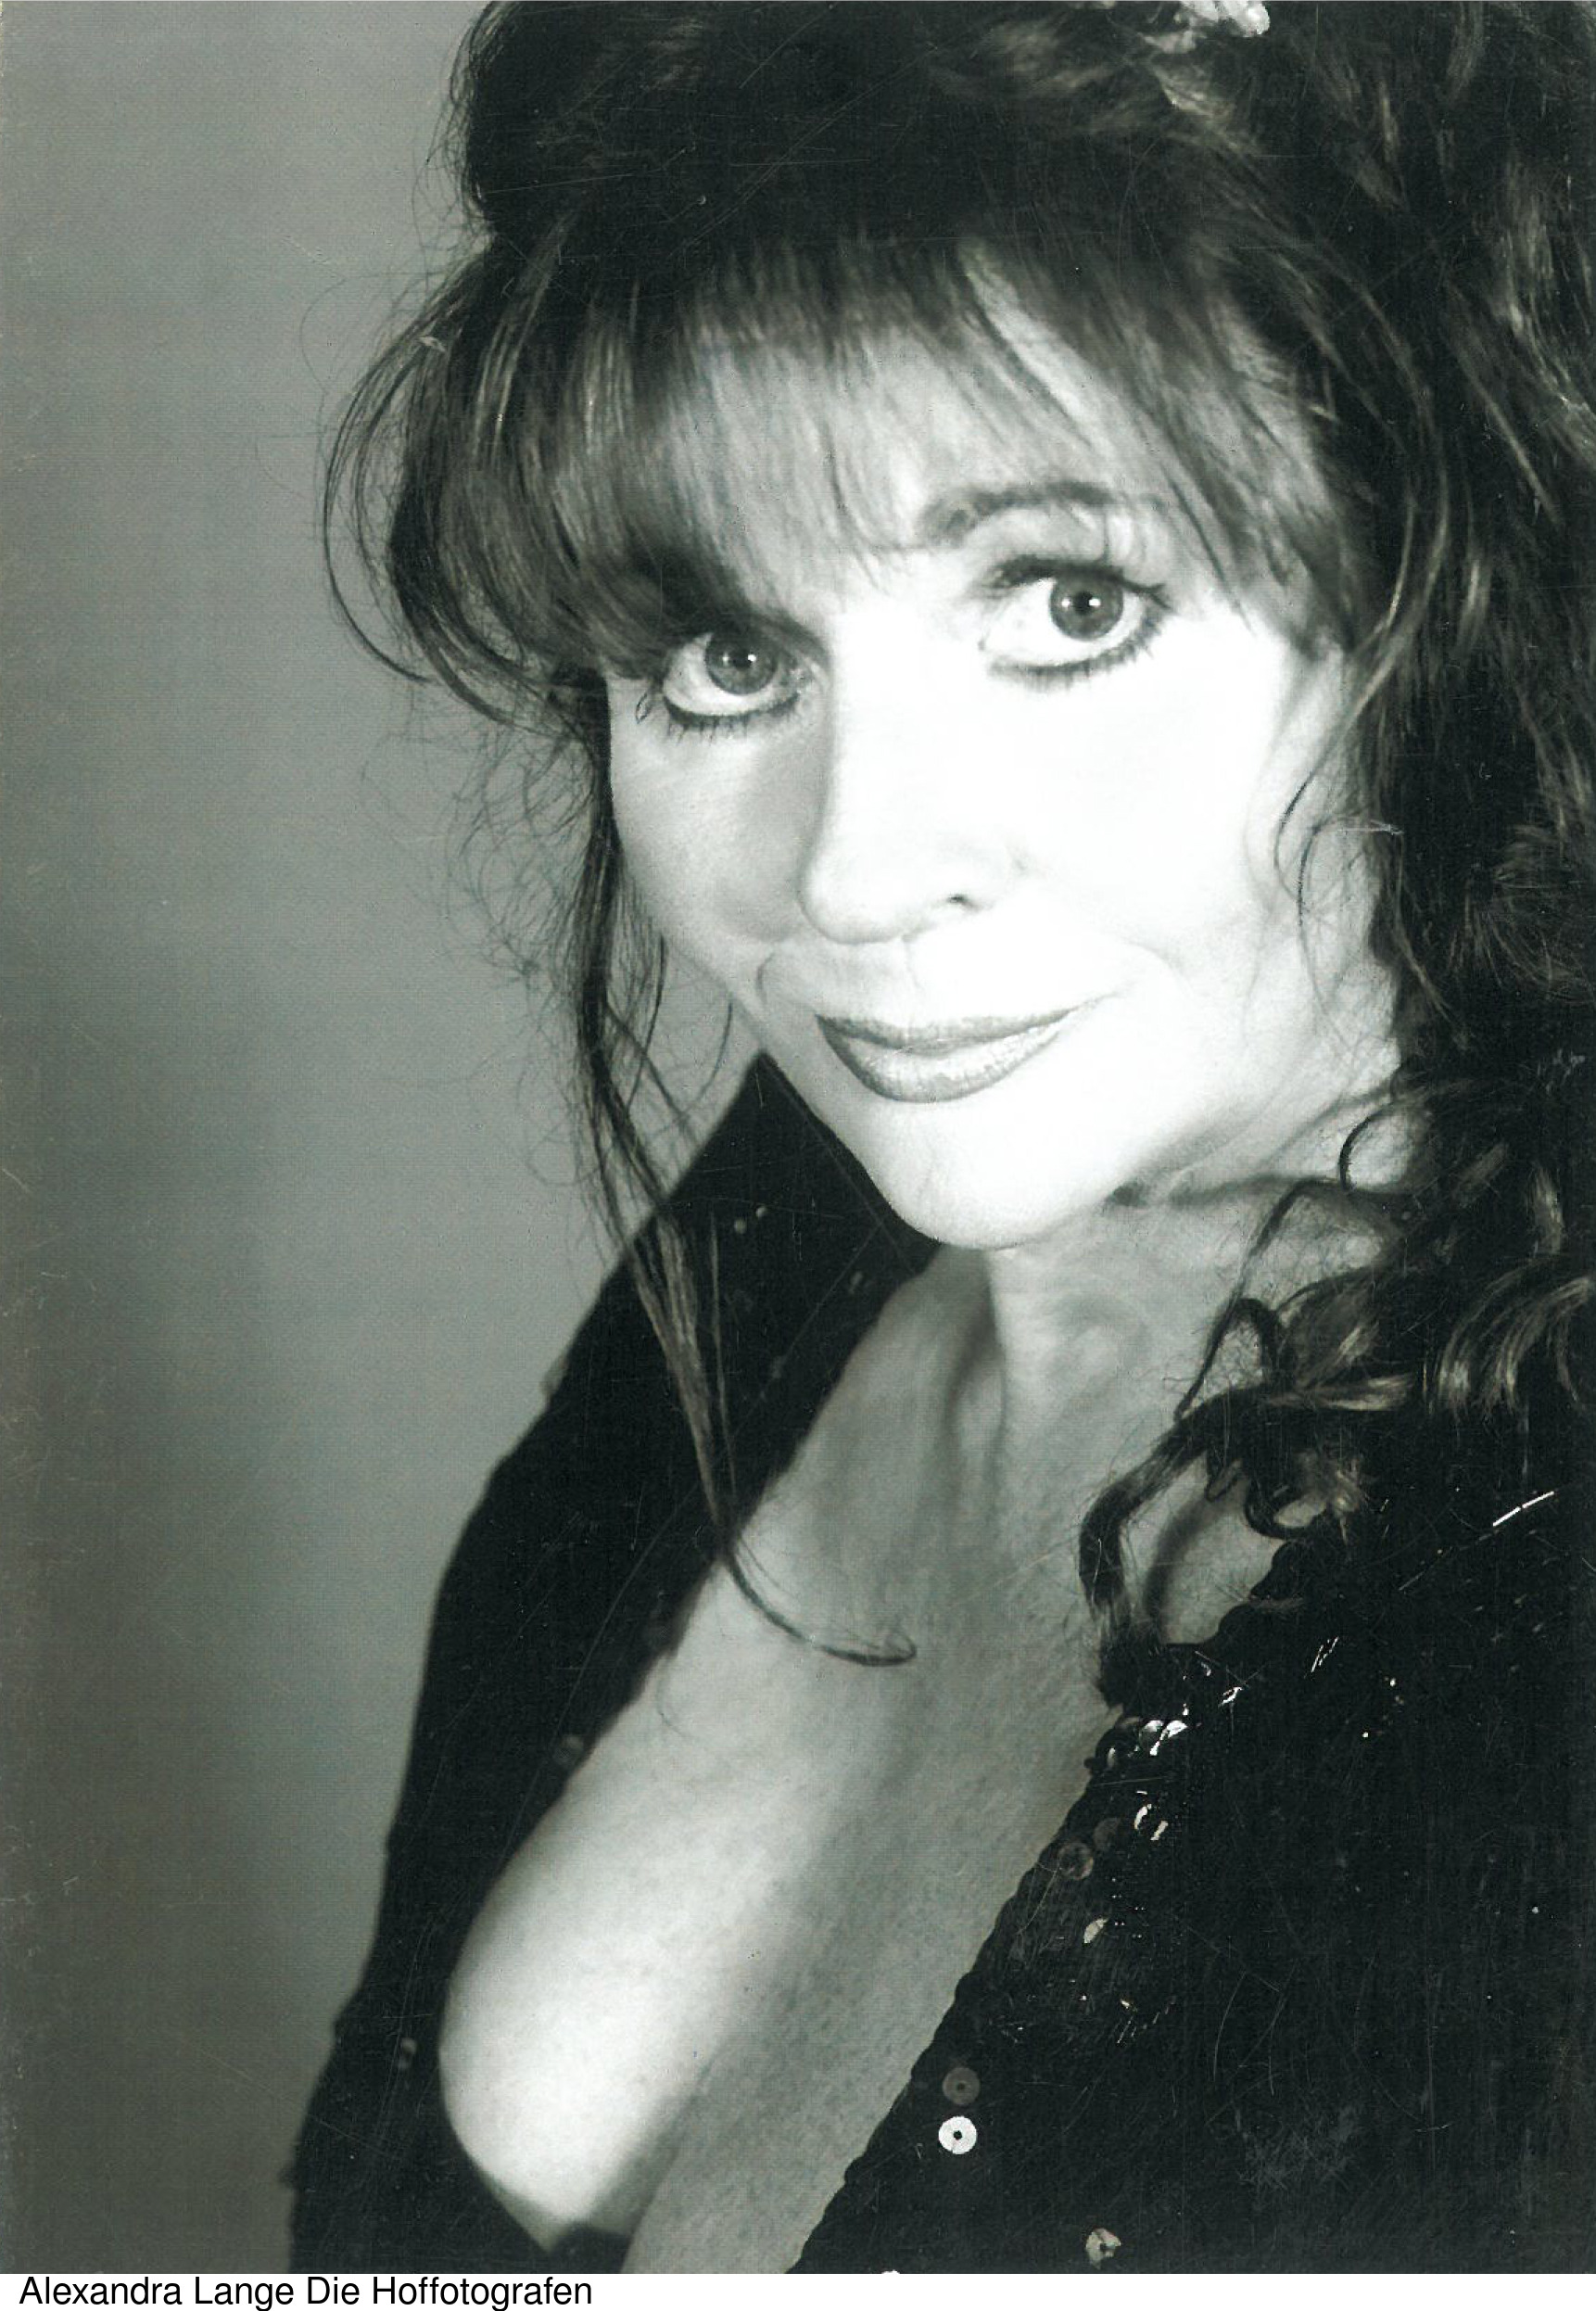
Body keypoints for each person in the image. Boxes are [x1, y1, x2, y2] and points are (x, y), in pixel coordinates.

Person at [290, 1, 1595, 2274]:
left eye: (1073, 605)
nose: (852, 870)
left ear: (1447, 606)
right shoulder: (782, 1246)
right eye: (727, 654)